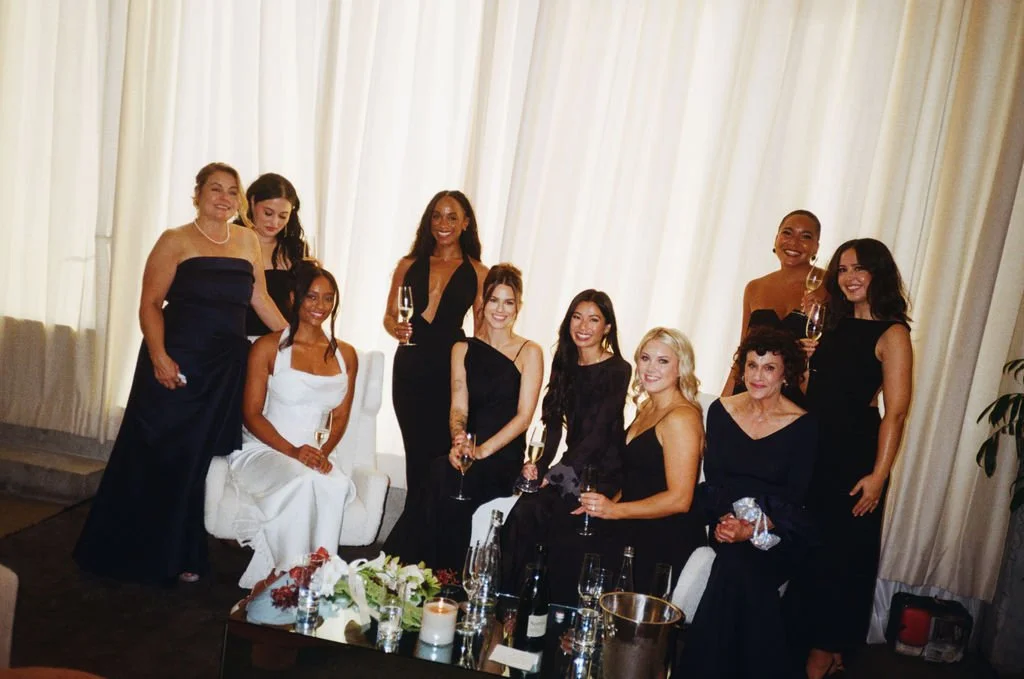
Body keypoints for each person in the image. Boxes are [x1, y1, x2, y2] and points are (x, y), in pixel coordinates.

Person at [74, 162, 287, 584]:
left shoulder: (247, 240)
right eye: (215, 189)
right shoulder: (175, 240)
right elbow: (150, 304)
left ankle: (182, 551)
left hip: (223, 369)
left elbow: (259, 299)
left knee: (197, 459)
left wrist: (298, 341)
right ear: (198, 194)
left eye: (232, 191)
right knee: (157, 454)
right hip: (177, 361)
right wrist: (159, 355)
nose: (224, 198)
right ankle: (129, 551)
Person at [786, 238, 913, 679]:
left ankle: (825, 650)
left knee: (842, 557)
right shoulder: (833, 326)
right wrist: (805, 366)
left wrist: (879, 476)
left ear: (879, 273)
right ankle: (815, 644)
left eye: (859, 268)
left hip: (856, 456)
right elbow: (814, 396)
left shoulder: (893, 334)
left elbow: (895, 412)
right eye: (842, 270)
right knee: (811, 550)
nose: (849, 277)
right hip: (817, 449)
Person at [383, 264, 543, 571]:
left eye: (508, 302)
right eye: (494, 300)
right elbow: (459, 407)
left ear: (518, 307)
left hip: (502, 455)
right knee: (439, 471)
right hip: (468, 448)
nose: (500, 310)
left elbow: (524, 417)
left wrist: (481, 451)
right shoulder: (462, 348)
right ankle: (407, 574)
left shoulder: (529, 351)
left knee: (455, 481)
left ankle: (444, 576)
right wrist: (460, 441)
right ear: (483, 302)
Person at [681, 327, 818, 678]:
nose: (758, 376)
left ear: (786, 373)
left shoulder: (803, 425)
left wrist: (751, 528)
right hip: (725, 519)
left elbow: (795, 498)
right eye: (752, 366)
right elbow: (714, 482)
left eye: (769, 368)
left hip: (778, 530)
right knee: (737, 565)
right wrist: (729, 521)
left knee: (737, 568)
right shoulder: (721, 411)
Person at [227, 262, 358, 588]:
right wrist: (294, 451)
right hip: (265, 449)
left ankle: (320, 578)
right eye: (311, 296)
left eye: (328, 298)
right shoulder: (267, 347)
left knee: (333, 484)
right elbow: (251, 414)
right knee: (302, 480)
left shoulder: (346, 354)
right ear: (293, 298)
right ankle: (288, 578)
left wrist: (322, 453)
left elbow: (340, 415)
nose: (320, 306)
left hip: (316, 453)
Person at [500, 290, 631, 602]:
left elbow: (598, 434)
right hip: (572, 466)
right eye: (577, 317)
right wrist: (538, 466)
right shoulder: (565, 364)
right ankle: (507, 603)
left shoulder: (618, 369)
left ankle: (547, 607)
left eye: (593, 319)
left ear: (607, 327)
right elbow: (553, 426)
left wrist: (556, 473)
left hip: (603, 472)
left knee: (555, 522)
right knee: (522, 512)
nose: (583, 326)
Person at [578, 327, 706, 596]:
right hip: (633, 519)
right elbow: (636, 477)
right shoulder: (648, 406)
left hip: (663, 534)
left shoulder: (681, 418)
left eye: (663, 361)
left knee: (581, 558)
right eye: (645, 358)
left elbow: (680, 500)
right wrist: (603, 506)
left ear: (680, 368)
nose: (650, 368)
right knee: (566, 534)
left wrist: (614, 512)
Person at [383, 191, 489, 515]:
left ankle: (429, 525)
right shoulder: (407, 265)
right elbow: (389, 316)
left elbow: (483, 333)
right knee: (415, 452)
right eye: (437, 216)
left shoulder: (479, 272)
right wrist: (396, 329)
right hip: (409, 368)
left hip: (449, 370)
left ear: (466, 223)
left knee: (442, 454)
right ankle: (415, 524)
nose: (443, 223)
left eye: (452, 217)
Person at [722, 209, 822, 403]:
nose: (794, 242)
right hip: (750, 394)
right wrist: (724, 401)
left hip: (799, 399)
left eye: (805, 236)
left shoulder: (828, 286)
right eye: (787, 233)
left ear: (816, 247)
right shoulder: (755, 287)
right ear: (776, 238)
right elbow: (743, 353)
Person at [241, 173, 310, 339]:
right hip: (243, 339)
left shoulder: (294, 249)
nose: (275, 223)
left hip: (284, 338)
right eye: (268, 213)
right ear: (252, 202)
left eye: (283, 216)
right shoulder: (233, 242)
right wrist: (292, 339)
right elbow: (258, 298)